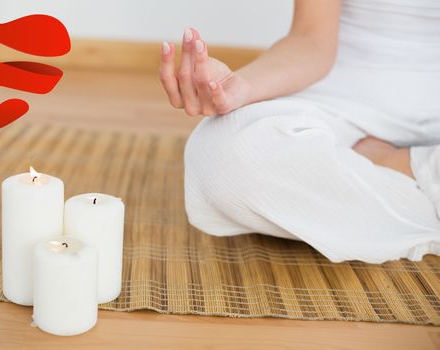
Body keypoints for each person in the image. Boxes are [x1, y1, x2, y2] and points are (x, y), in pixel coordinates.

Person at [158, 0, 440, 263]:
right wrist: (239, 85)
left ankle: (402, 170)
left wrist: (402, 160)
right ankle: (422, 188)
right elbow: (310, 38)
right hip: (344, 99)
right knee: (220, 153)